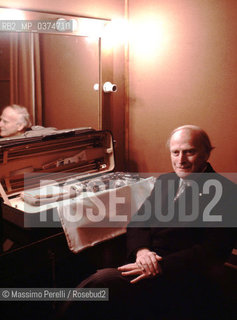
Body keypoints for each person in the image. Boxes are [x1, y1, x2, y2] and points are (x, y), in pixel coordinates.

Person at [58, 125, 236, 320]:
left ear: (206, 153)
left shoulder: (226, 191)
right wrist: (142, 251)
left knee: (99, 284)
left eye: (189, 152)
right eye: (175, 152)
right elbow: (138, 221)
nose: (181, 160)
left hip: (180, 275)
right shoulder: (166, 181)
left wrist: (158, 266)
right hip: (144, 262)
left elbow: (212, 251)